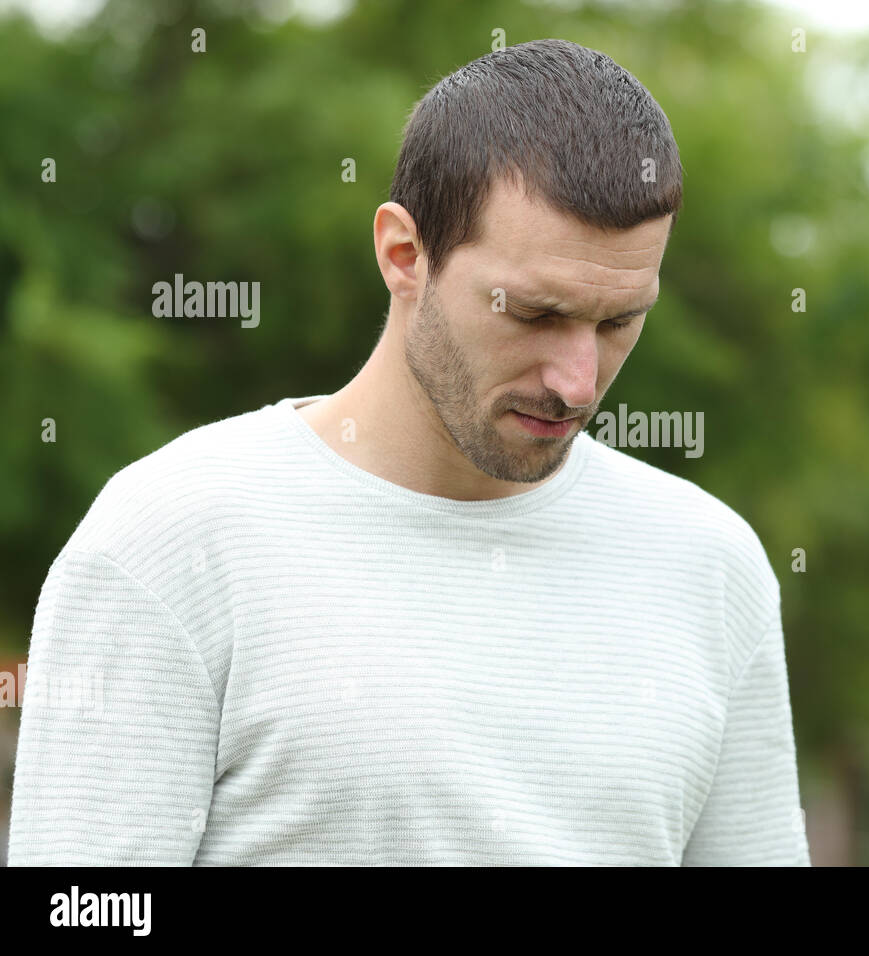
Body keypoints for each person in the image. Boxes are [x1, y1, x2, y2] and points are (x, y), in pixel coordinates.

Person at [7, 37, 810, 866]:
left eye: (617, 322)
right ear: (403, 255)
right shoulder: (172, 540)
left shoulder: (709, 564)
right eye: (533, 314)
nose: (577, 384)